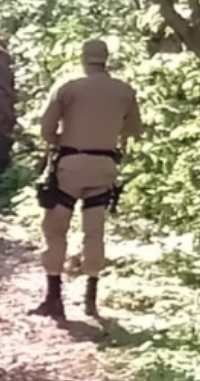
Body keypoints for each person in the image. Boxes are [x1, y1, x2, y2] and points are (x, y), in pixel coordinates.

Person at [31, 38, 141, 320]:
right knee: (94, 232)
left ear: (83, 57)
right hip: (105, 165)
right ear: (106, 58)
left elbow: (46, 129)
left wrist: (60, 140)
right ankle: (90, 299)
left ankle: (54, 298)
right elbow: (133, 128)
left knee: (56, 231)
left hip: (71, 163)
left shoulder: (68, 87)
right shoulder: (124, 91)